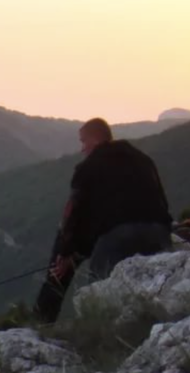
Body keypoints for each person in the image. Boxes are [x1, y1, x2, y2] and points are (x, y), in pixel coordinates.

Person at [33, 118, 173, 322]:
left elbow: (73, 211)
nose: (82, 149)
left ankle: (43, 322)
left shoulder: (88, 166)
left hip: (118, 234)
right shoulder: (143, 159)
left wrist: (64, 252)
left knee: (98, 297)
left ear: (95, 140)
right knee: (153, 292)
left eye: (83, 142)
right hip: (159, 230)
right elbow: (161, 199)